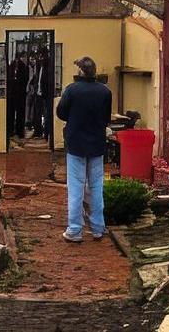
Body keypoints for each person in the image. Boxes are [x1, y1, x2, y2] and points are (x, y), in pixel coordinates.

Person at [55, 56, 111, 243]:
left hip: (76, 144)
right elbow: (106, 118)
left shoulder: (72, 90)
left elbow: (61, 113)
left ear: (80, 72)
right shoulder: (105, 91)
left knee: (76, 187)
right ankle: (97, 228)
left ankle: (75, 230)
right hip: (97, 144)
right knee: (96, 186)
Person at [7, 50, 29, 141]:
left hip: (15, 92)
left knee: (15, 113)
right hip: (17, 93)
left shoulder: (15, 66)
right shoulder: (21, 66)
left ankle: (14, 131)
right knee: (17, 112)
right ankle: (16, 131)